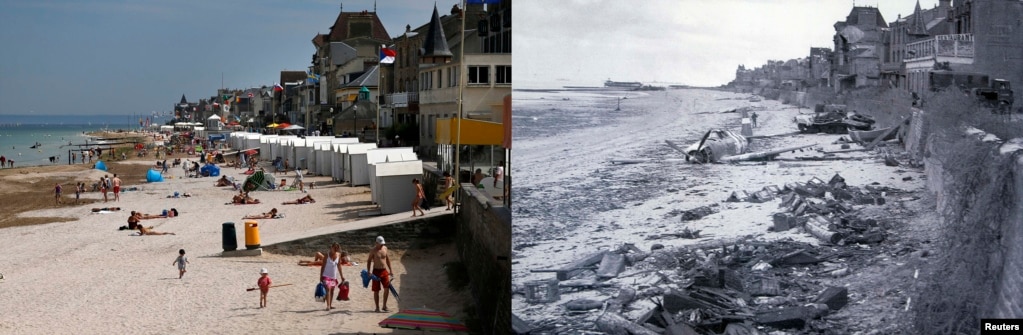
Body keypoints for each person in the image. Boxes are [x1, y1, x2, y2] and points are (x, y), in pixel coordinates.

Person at [367, 236, 393, 313]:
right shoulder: (373, 250)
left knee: (387, 288)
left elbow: (387, 259)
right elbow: (368, 261)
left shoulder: (385, 248)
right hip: (376, 271)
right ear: (376, 243)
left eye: (382, 244)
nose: (382, 245)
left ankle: (384, 306)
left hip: (384, 271)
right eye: (380, 244)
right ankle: (377, 307)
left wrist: (391, 270)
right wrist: (369, 271)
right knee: (376, 290)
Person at [318, 243, 347, 311]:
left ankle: (330, 305)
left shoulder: (338, 255)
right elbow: (323, 266)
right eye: (335, 248)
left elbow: (339, 266)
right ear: (331, 247)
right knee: (328, 289)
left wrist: (342, 276)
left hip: (333, 276)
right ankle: (328, 306)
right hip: (326, 275)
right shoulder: (326, 255)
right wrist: (321, 276)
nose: (336, 249)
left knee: (332, 291)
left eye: (337, 248)